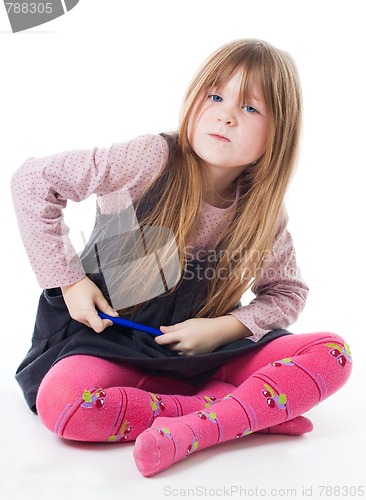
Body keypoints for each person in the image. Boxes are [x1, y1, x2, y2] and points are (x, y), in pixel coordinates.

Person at [11, 39, 352, 477]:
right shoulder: (150, 159)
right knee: (63, 402)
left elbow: (287, 292)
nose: (225, 114)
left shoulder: (262, 208)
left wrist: (222, 330)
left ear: (278, 133)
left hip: (200, 351)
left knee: (333, 355)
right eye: (215, 96)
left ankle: (201, 426)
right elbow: (33, 183)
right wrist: (69, 281)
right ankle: (229, 410)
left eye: (250, 108)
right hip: (109, 339)